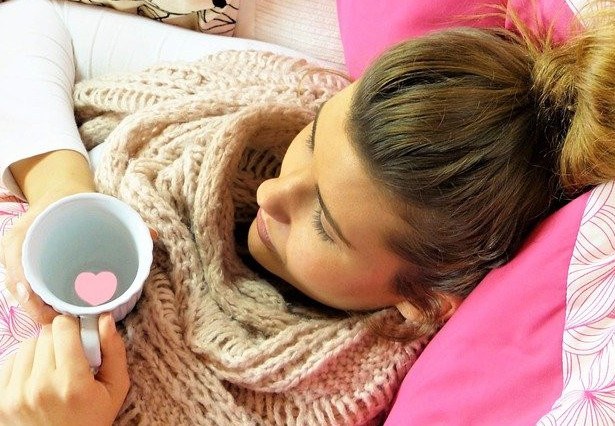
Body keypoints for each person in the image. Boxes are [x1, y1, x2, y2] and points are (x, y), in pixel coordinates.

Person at [0, 0, 611, 423]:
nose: (272, 193)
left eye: (324, 222)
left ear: (419, 303)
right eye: (315, 139)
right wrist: (61, 193)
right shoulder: (271, 93)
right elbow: (30, 22)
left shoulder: (331, 404)